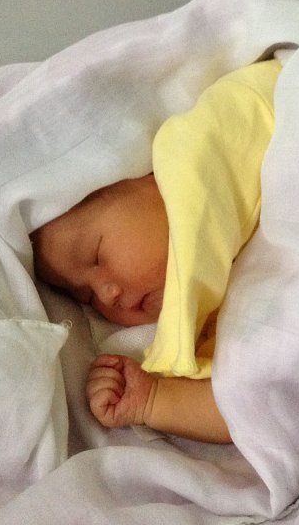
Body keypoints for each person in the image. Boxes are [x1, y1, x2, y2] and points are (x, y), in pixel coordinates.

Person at [30, 59, 282, 445]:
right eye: (87, 296)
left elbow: (291, 89)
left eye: (96, 256)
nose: (107, 294)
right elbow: (260, 404)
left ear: (142, 179)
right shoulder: (205, 323)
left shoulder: (196, 146)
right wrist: (154, 400)